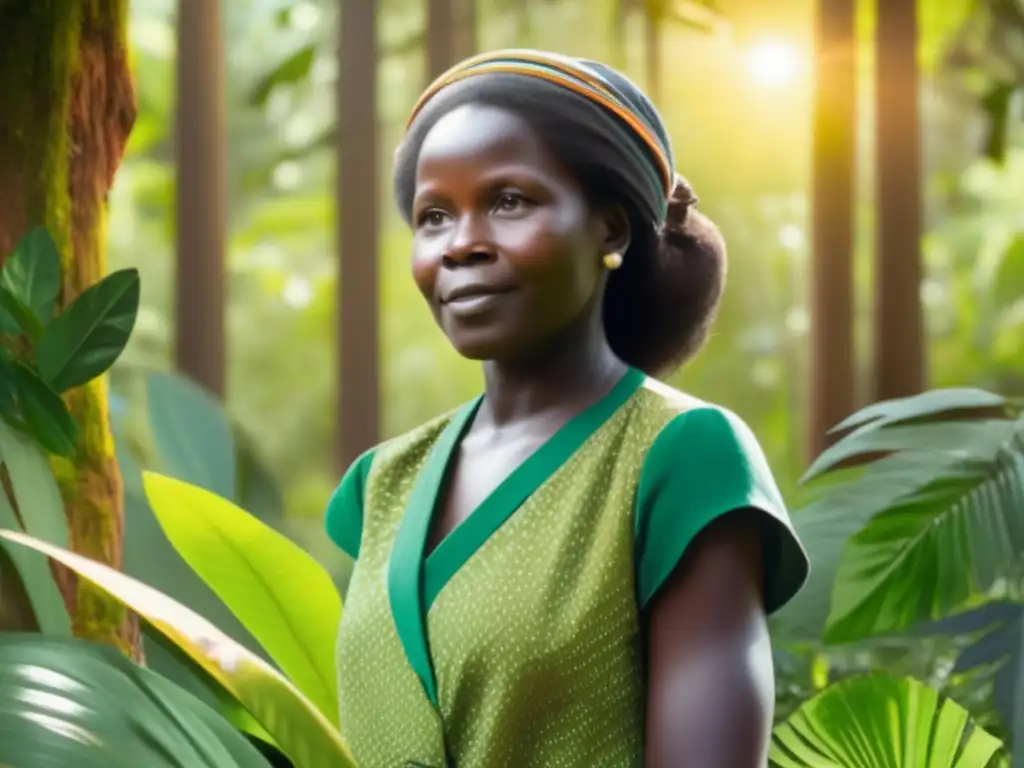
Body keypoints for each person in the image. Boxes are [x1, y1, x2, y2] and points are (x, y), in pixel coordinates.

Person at [325, 49, 810, 768]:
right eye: (434, 216)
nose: (461, 245)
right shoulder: (383, 483)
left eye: (509, 201)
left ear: (611, 231)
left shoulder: (682, 456)